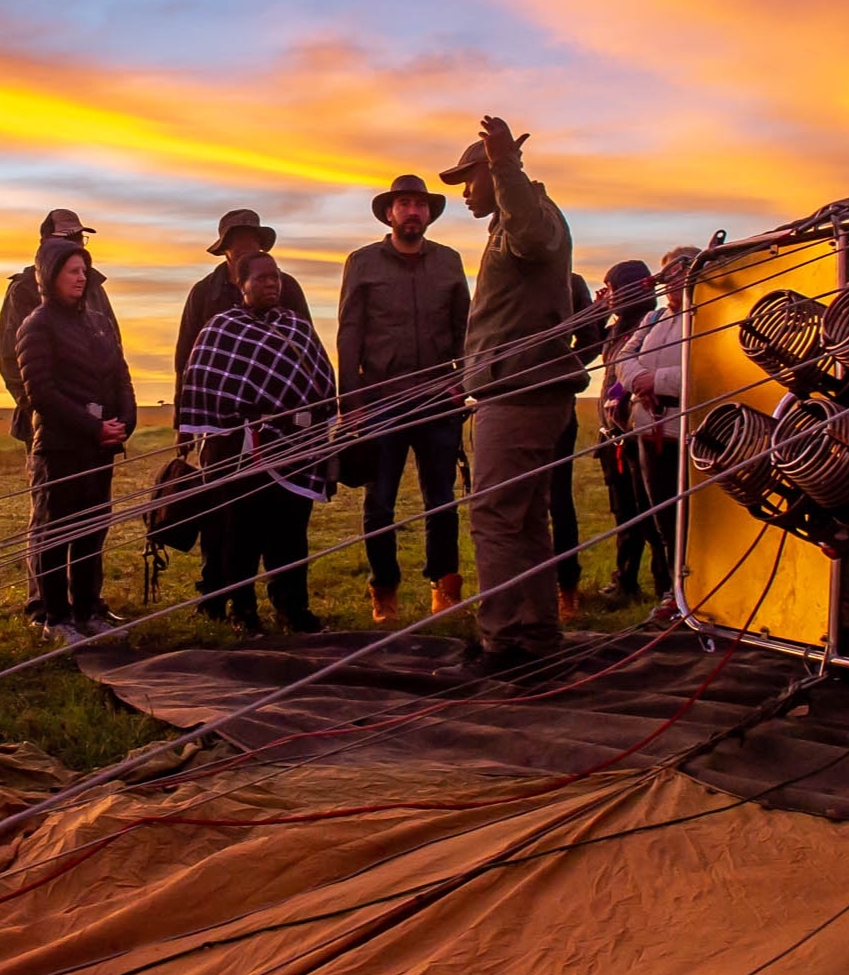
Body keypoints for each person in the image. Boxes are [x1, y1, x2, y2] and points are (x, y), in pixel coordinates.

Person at [436, 117, 587, 677]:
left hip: (520, 394)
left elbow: (531, 238)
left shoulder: (529, 216)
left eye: (468, 179)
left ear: (491, 170)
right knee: (524, 522)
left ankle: (502, 645)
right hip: (514, 389)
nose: (464, 192)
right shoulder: (510, 222)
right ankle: (536, 638)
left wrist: (505, 164)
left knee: (496, 518)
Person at [337, 174, 469, 624]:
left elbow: (464, 327)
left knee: (442, 498)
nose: (413, 212)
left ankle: (444, 586)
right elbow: (349, 332)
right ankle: (384, 589)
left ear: (428, 214)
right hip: (380, 399)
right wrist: (351, 402)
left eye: (420, 205)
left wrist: (463, 382)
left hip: (438, 397)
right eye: (405, 204)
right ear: (390, 213)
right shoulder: (362, 263)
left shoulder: (449, 262)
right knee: (379, 502)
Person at [180, 252, 333, 635]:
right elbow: (204, 382)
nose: (271, 284)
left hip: (293, 446)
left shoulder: (296, 327)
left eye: (275, 277)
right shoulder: (222, 330)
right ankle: (242, 608)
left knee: (291, 531)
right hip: (241, 451)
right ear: (242, 284)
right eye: (262, 278)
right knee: (241, 532)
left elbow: (320, 380)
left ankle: (292, 606)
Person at [0, 209, 118, 626]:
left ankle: (89, 604)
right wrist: (41, 410)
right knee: (49, 516)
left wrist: (110, 416)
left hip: (96, 429)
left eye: (80, 237)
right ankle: (44, 607)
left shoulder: (93, 286)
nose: (76, 243)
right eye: (67, 237)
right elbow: (13, 360)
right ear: (45, 241)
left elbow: (113, 349)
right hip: (49, 426)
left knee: (92, 518)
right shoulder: (23, 291)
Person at [16, 237, 137, 645]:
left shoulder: (99, 323)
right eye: (72, 271)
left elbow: (121, 375)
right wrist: (91, 427)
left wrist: (125, 422)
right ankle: (55, 616)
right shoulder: (36, 326)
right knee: (55, 533)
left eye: (84, 270)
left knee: (92, 531)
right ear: (50, 275)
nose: (81, 278)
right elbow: (41, 393)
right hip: (60, 447)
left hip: (99, 448)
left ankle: (88, 609)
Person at [615, 246, 699, 611]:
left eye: (680, 273)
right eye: (668, 275)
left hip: (687, 430)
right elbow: (624, 357)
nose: (672, 281)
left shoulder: (710, 316)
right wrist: (639, 381)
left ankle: (690, 592)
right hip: (648, 429)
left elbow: (708, 365)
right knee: (658, 516)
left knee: (688, 518)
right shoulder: (653, 318)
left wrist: (658, 380)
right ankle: (669, 590)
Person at [597, 259, 667, 606]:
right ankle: (625, 580)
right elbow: (586, 347)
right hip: (611, 435)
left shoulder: (653, 326)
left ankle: (664, 585)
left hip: (638, 433)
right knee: (623, 511)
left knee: (650, 512)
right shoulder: (615, 330)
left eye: (613, 290)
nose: (609, 296)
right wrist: (597, 314)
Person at [548, 270, 608, 623]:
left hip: (556, 404)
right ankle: (517, 587)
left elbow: (590, 340)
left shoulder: (570, 283)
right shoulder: (500, 279)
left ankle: (566, 588)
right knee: (508, 502)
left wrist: (560, 371)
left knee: (558, 499)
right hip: (506, 405)